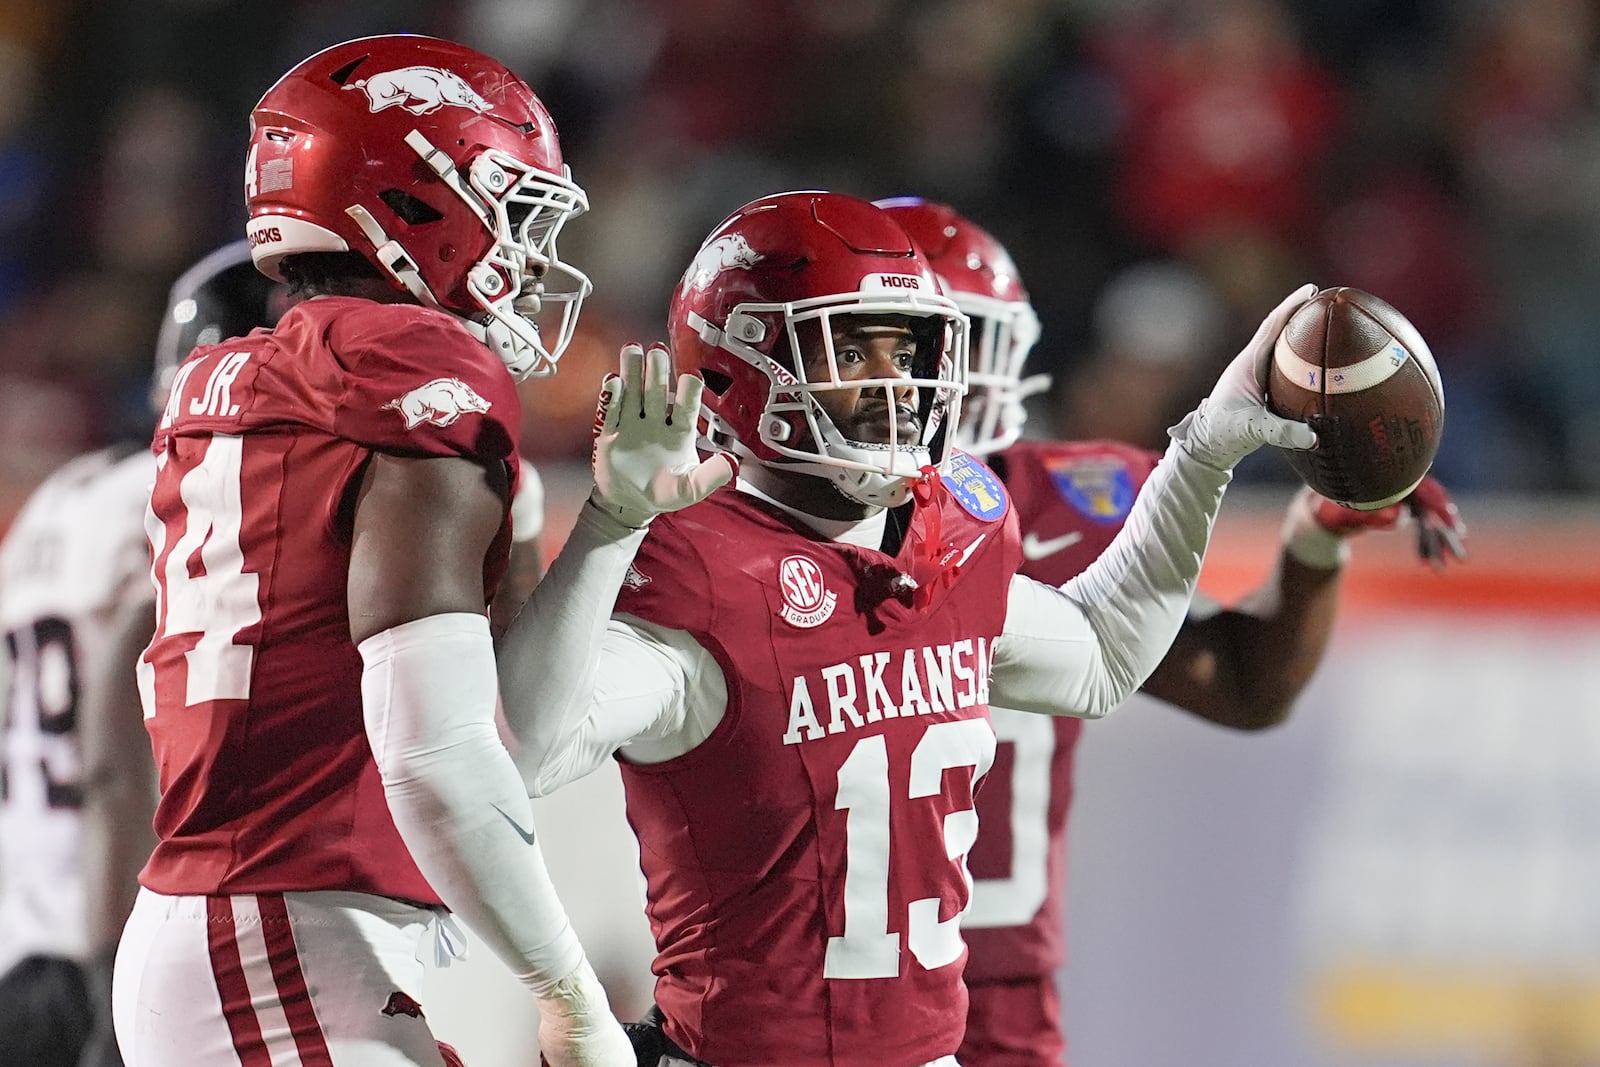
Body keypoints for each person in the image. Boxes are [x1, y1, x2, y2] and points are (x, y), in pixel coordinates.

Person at [495, 188, 1328, 1067]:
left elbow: (1104, 657)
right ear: (740, 364)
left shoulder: (955, 528)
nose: (898, 383)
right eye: (852, 348)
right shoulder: (702, 563)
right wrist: (610, 527)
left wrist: (1203, 451)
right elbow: (518, 753)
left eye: (910, 347)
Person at [112, 34, 731, 1067]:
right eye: (509, 205)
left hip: (262, 939)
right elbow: (436, 754)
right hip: (274, 940)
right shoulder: (408, 364)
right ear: (407, 201)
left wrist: (614, 522)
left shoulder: (253, 379)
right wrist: (569, 997)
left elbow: (505, 739)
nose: (527, 253)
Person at [878, 196, 1469, 1067]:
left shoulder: (1067, 502)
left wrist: (1313, 538)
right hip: (784, 984)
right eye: (870, 346)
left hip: (985, 994)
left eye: (937, 342)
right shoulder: (746, 523)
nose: (914, 377)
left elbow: (1242, 683)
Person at [0, 239, 288, 1067]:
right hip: (120, 932)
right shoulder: (187, 499)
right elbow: (116, 750)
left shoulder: (65, 493)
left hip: (30, 935)